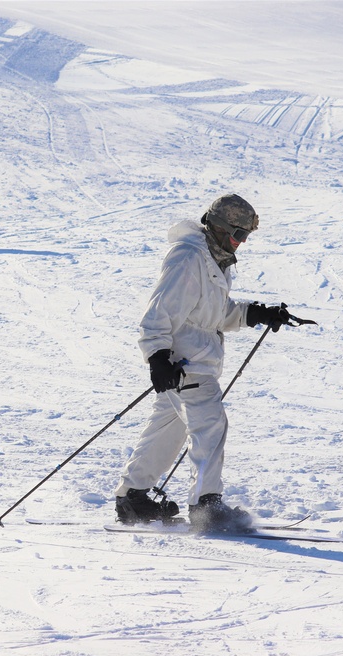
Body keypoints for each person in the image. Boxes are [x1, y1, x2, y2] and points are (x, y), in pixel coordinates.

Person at [114, 194, 293, 532]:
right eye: (238, 235)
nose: (241, 243)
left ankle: (132, 497)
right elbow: (158, 313)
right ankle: (206, 505)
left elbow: (211, 315)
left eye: (246, 237)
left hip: (189, 362)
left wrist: (255, 312)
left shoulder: (214, 260)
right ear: (221, 227)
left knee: (168, 428)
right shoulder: (188, 258)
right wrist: (156, 358)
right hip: (184, 363)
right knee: (210, 426)